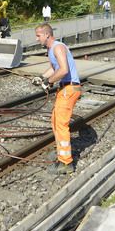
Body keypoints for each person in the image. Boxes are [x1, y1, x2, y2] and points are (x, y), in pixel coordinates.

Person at [33, 24, 80, 175]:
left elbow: (64, 69)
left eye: (38, 35)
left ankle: (66, 163)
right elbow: (55, 68)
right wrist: (41, 78)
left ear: (47, 35)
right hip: (66, 88)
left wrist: (49, 82)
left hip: (70, 88)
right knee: (55, 121)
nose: (36, 38)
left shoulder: (57, 47)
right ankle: (61, 153)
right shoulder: (51, 49)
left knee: (60, 124)